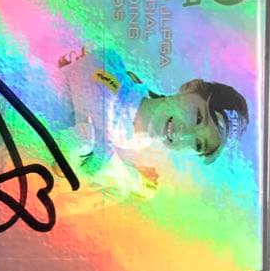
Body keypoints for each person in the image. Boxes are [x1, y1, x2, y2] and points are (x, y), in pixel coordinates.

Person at [53, 46, 249, 200]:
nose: (185, 134)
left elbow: (92, 158)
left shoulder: (138, 142)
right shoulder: (109, 65)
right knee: (83, 142)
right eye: (198, 117)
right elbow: (94, 76)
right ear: (190, 87)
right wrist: (133, 180)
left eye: (198, 144)